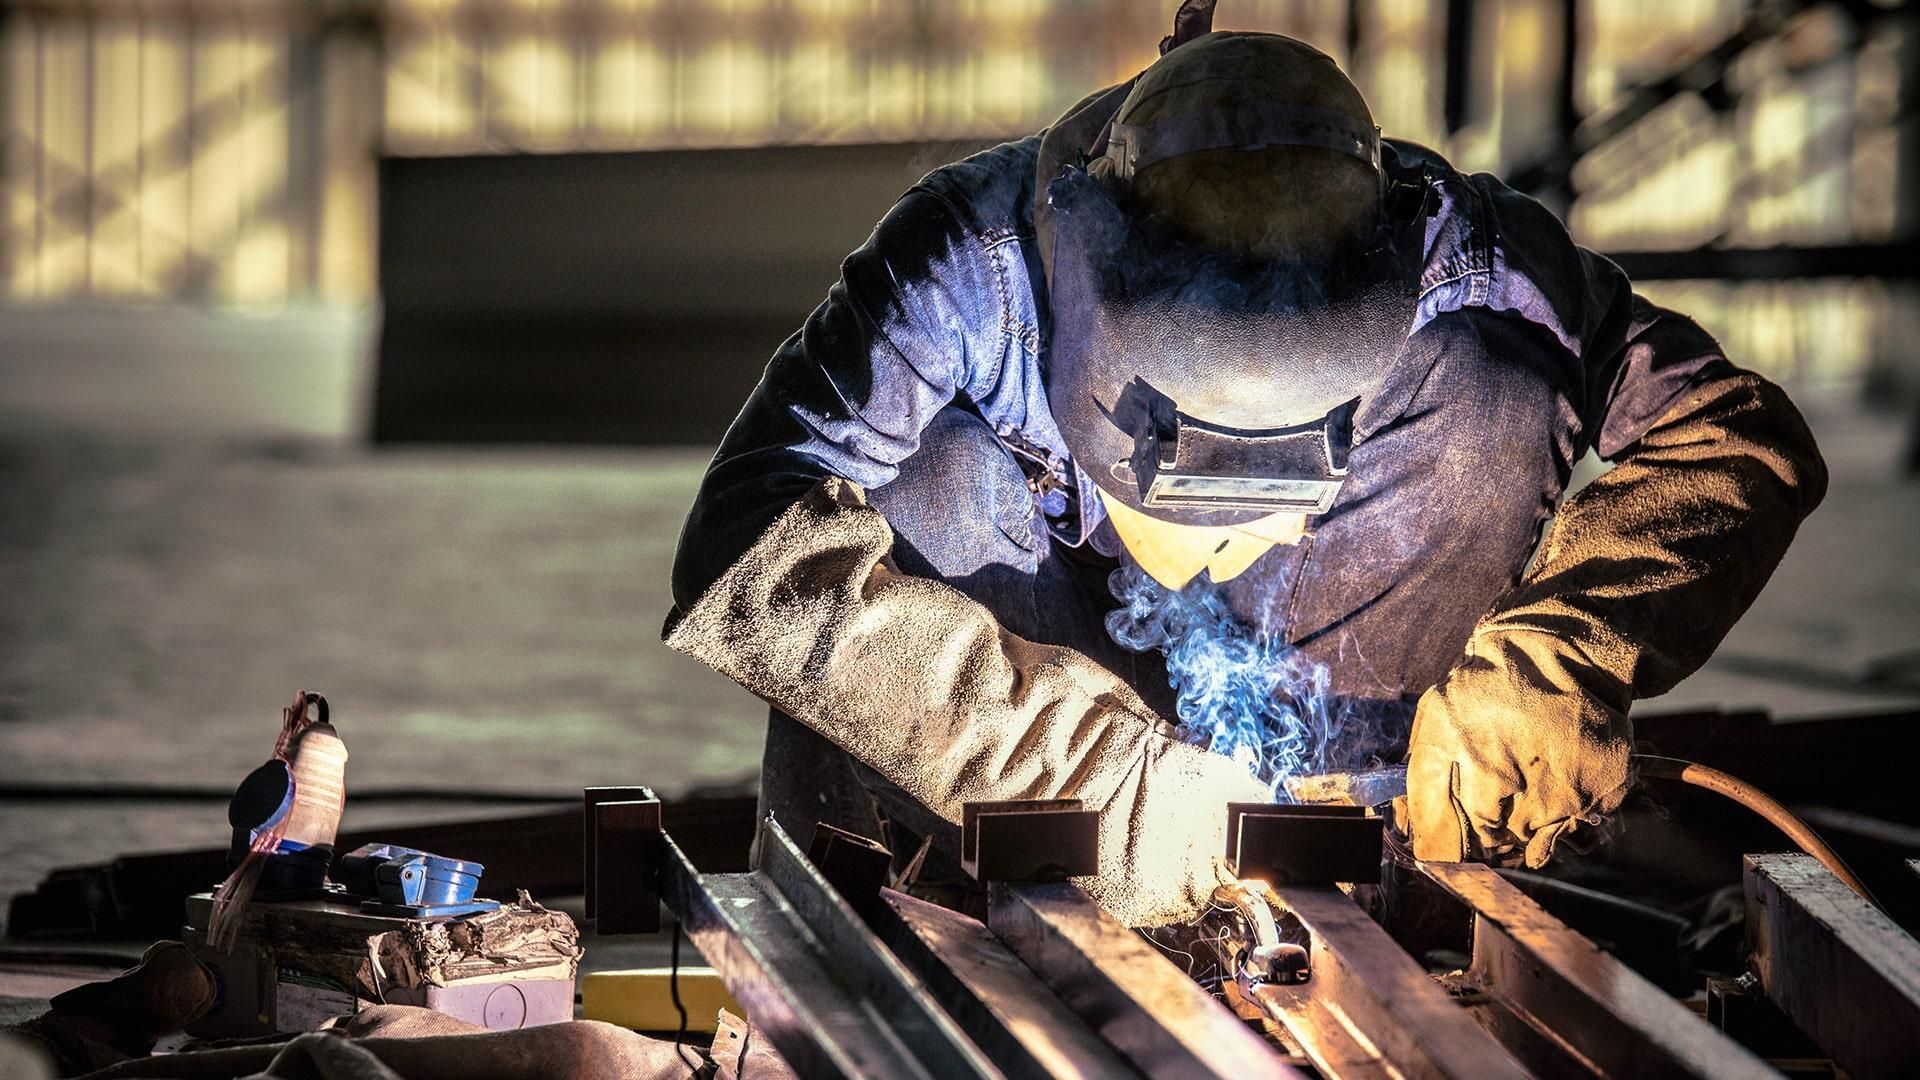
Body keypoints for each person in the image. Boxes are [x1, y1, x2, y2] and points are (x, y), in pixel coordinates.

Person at [664, 3, 1825, 928]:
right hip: (1033, 712)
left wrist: (1565, 653)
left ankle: (1362, 847)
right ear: (1089, 274)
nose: (1233, 523)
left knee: (1497, 385)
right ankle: (912, 893)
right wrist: (1089, 769)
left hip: (1324, 686)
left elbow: (1733, 435)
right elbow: (746, 547)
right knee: (932, 475)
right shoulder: (967, 259)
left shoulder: (1471, 253)